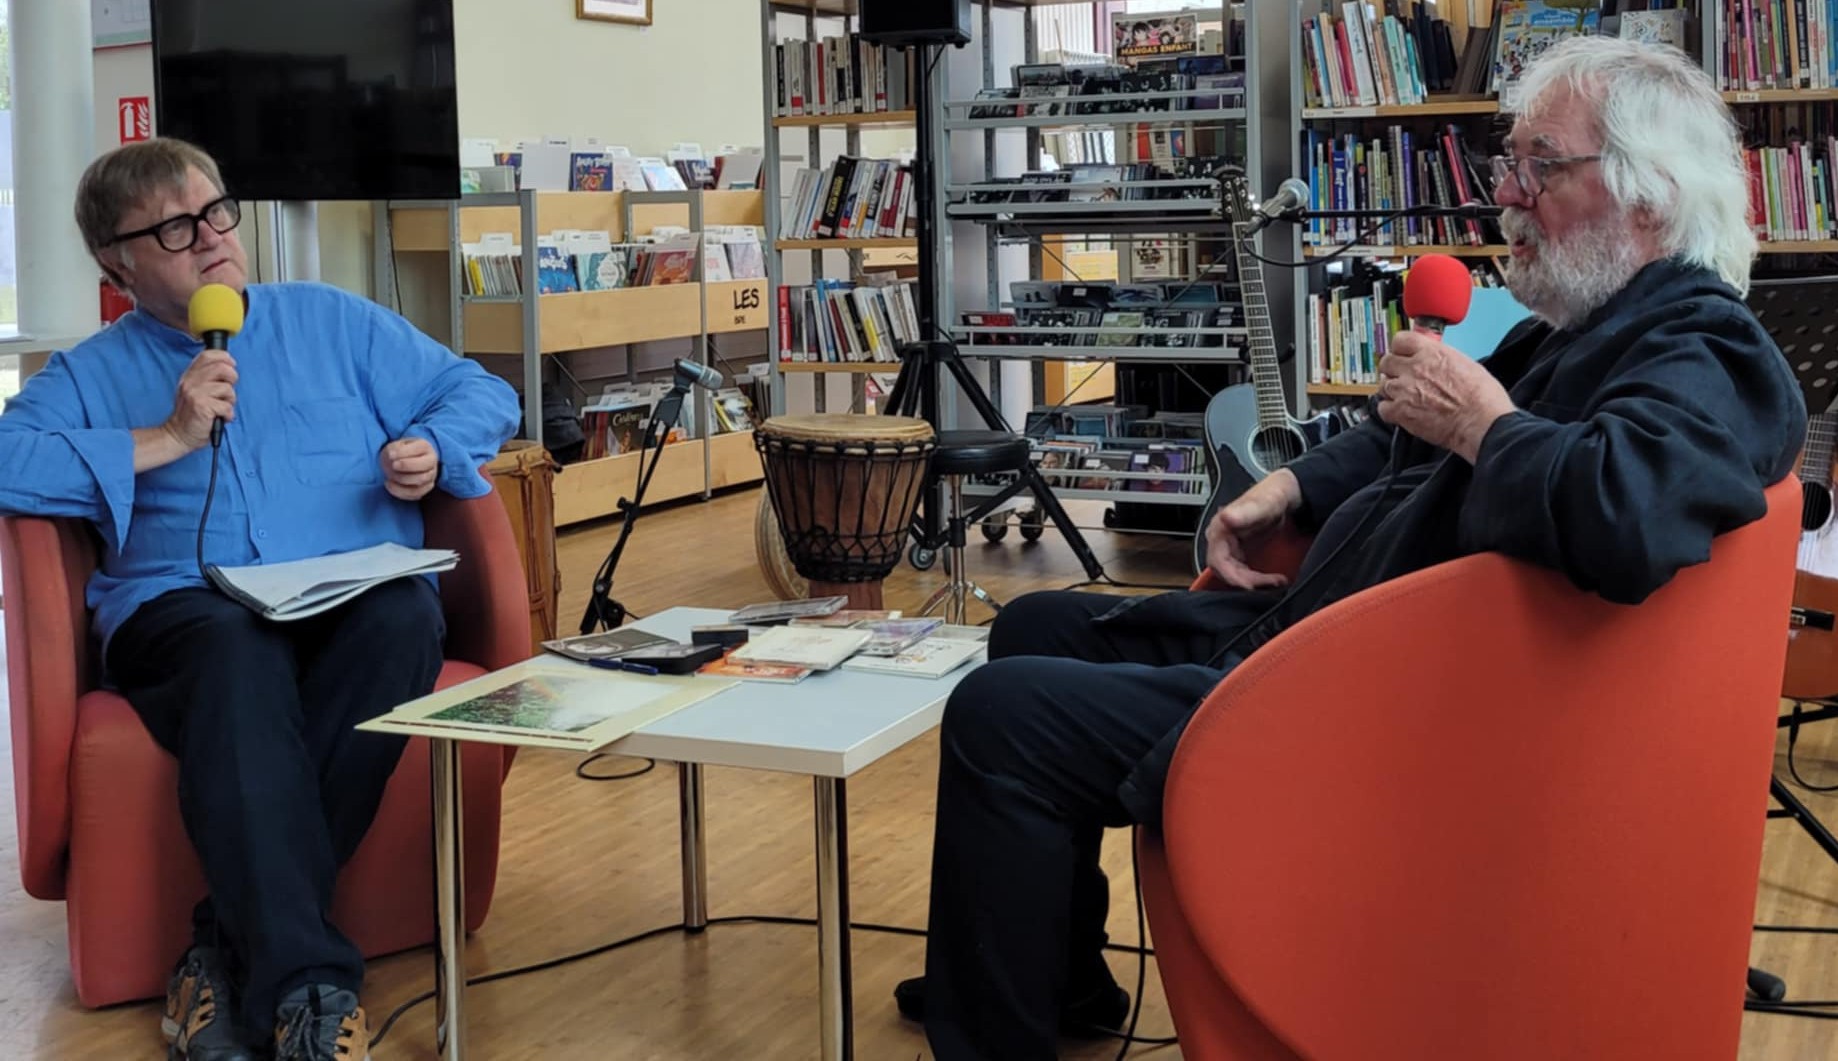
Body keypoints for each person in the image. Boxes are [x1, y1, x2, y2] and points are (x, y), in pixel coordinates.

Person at [899, 35, 1808, 1060]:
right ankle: (1053, 979)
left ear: (1649, 196)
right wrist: (1288, 486)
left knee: (1002, 715)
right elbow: (1398, 434)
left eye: (1539, 166)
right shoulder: (1581, 329)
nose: (1504, 196)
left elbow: (1625, 511)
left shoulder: (1704, 346)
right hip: (1334, 638)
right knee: (1030, 623)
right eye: (1506, 164)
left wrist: (1483, 424)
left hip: (1384, 710)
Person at [0, 138, 521, 1060]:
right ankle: (311, 989)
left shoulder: (332, 319)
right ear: (117, 266)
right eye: (173, 229)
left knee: (405, 617)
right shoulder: (89, 372)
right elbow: (10, 458)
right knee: (234, 651)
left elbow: (476, 389)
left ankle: (219, 950)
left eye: (215, 212)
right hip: (184, 608)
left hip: (347, 589)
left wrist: (437, 447)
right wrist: (166, 436)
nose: (210, 238)